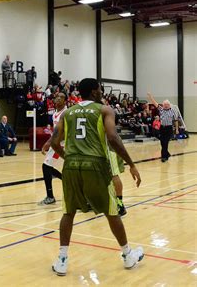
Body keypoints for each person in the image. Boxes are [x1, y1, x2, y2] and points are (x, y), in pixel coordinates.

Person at [50, 78, 143, 276]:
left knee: (68, 213)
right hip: (95, 165)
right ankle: (127, 255)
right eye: (99, 89)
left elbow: (54, 142)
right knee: (111, 211)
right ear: (93, 92)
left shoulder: (67, 113)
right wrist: (131, 164)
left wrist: (69, 157)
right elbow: (112, 137)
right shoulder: (104, 110)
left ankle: (62, 260)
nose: (101, 92)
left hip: (72, 166)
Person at [39, 92, 67, 205]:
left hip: (61, 144)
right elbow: (56, 131)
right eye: (56, 97)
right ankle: (66, 180)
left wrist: (49, 142)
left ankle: (50, 197)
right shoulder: (55, 113)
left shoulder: (66, 113)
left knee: (46, 166)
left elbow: (64, 132)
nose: (58, 99)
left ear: (65, 101)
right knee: (47, 167)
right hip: (56, 142)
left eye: (61, 97)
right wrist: (50, 141)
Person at [146, 93, 179, 162]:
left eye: (167, 105)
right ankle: (167, 153)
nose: (166, 106)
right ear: (163, 105)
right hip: (162, 128)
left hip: (169, 128)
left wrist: (177, 129)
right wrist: (150, 97)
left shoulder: (173, 111)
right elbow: (155, 103)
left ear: (169, 105)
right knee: (162, 142)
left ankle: (164, 157)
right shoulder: (161, 109)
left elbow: (176, 120)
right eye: (164, 105)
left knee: (165, 142)